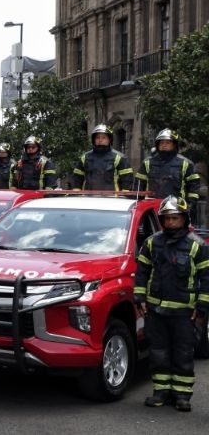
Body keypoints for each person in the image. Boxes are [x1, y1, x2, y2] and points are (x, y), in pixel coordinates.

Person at [134, 196, 209, 412]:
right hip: (156, 311)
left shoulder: (197, 245)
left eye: (174, 218)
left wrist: (202, 308)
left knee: (183, 354)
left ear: (185, 219)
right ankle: (161, 392)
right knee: (158, 352)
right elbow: (142, 272)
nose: (169, 223)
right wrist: (139, 297)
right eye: (166, 219)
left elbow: (206, 279)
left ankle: (182, 395)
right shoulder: (152, 242)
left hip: (185, 313)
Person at [136, 129, 201, 223]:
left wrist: (190, 206)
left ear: (174, 144)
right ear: (157, 145)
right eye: (161, 143)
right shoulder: (148, 162)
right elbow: (139, 185)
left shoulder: (186, 163)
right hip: (151, 209)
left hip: (176, 209)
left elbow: (193, 188)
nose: (164, 145)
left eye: (168, 142)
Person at [72, 124, 134, 191]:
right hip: (88, 198)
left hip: (112, 199)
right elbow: (77, 180)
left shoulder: (120, 158)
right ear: (94, 139)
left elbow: (127, 181)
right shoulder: (84, 157)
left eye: (103, 137)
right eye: (97, 137)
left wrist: (124, 198)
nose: (100, 140)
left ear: (109, 139)